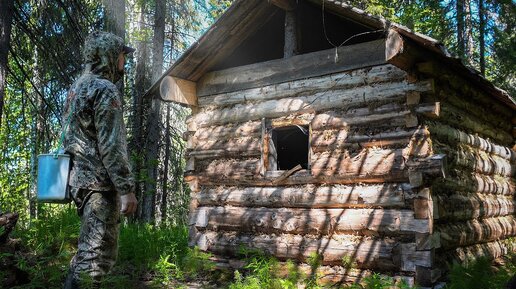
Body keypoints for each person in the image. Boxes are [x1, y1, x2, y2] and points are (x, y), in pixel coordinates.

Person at [63, 31, 138, 289]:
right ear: (108, 55)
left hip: (80, 183)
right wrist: (126, 189)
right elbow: (111, 145)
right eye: (121, 56)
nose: (123, 62)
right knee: (96, 260)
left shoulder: (77, 88)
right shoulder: (105, 90)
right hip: (99, 186)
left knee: (87, 253)